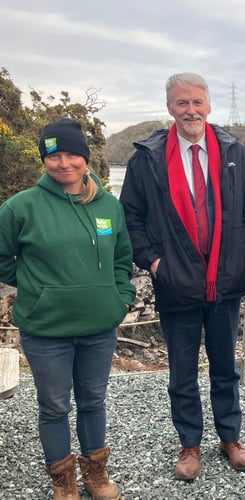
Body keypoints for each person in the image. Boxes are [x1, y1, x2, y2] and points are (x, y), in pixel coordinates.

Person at [119, 73, 245, 480]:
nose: (191, 110)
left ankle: (230, 437)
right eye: (182, 103)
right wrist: (156, 263)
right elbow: (133, 217)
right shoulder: (146, 158)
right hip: (175, 281)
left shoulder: (234, 151)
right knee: (182, 369)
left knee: (225, 366)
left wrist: (239, 258)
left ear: (209, 106)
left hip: (224, 280)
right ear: (170, 109)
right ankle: (190, 444)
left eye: (197, 102)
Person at [0, 118, 135, 499]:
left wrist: (121, 296)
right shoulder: (20, 207)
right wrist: (33, 285)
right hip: (45, 329)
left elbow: (123, 259)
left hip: (98, 328)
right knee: (55, 406)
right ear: (44, 159)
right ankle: (64, 481)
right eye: (54, 155)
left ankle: (96, 475)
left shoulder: (108, 205)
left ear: (86, 158)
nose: (64, 163)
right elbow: (2, 257)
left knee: (93, 401)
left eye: (72, 154)